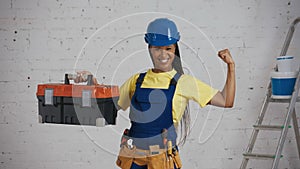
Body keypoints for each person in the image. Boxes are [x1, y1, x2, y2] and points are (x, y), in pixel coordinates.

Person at [76, 18, 235, 169]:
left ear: (175, 49)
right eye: (157, 48)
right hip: (133, 158)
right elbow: (109, 106)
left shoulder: (183, 82)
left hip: (161, 161)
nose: (163, 54)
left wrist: (231, 66)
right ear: (149, 48)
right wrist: (94, 86)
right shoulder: (137, 80)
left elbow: (226, 100)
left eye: (168, 48)